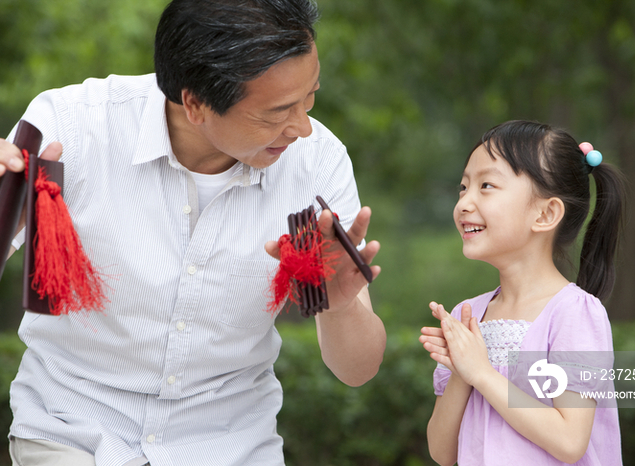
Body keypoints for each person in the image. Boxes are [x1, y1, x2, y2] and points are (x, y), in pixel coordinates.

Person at [0, 0, 386, 465]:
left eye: (310, 99)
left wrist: (341, 306)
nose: (302, 128)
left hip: (232, 446)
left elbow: (358, 372)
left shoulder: (317, 164)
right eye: (276, 112)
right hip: (72, 431)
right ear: (195, 103)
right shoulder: (73, 128)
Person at [419, 120, 625, 465]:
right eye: (463, 186)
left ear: (545, 213)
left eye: (486, 185)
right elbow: (442, 452)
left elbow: (570, 439)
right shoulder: (467, 316)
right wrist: (461, 372)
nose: (465, 203)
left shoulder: (574, 313)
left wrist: (481, 372)